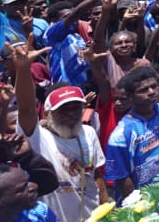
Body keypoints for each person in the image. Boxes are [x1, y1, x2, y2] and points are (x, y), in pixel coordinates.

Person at [10, 34, 106, 222]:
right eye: (63, 110)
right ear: (48, 114)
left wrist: (105, 204)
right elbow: (27, 108)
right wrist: (23, 69)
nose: (71, 114)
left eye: (76, 108)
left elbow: (96, 174)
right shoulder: (37, 139)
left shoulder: (89, 133)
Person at [104, 65, 159, 199]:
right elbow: (122, 178)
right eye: (143, 90)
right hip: (146, 199)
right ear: (130, 97)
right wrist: (141, 204)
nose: (151, 92)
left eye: (154, 86)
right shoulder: (120, 135)